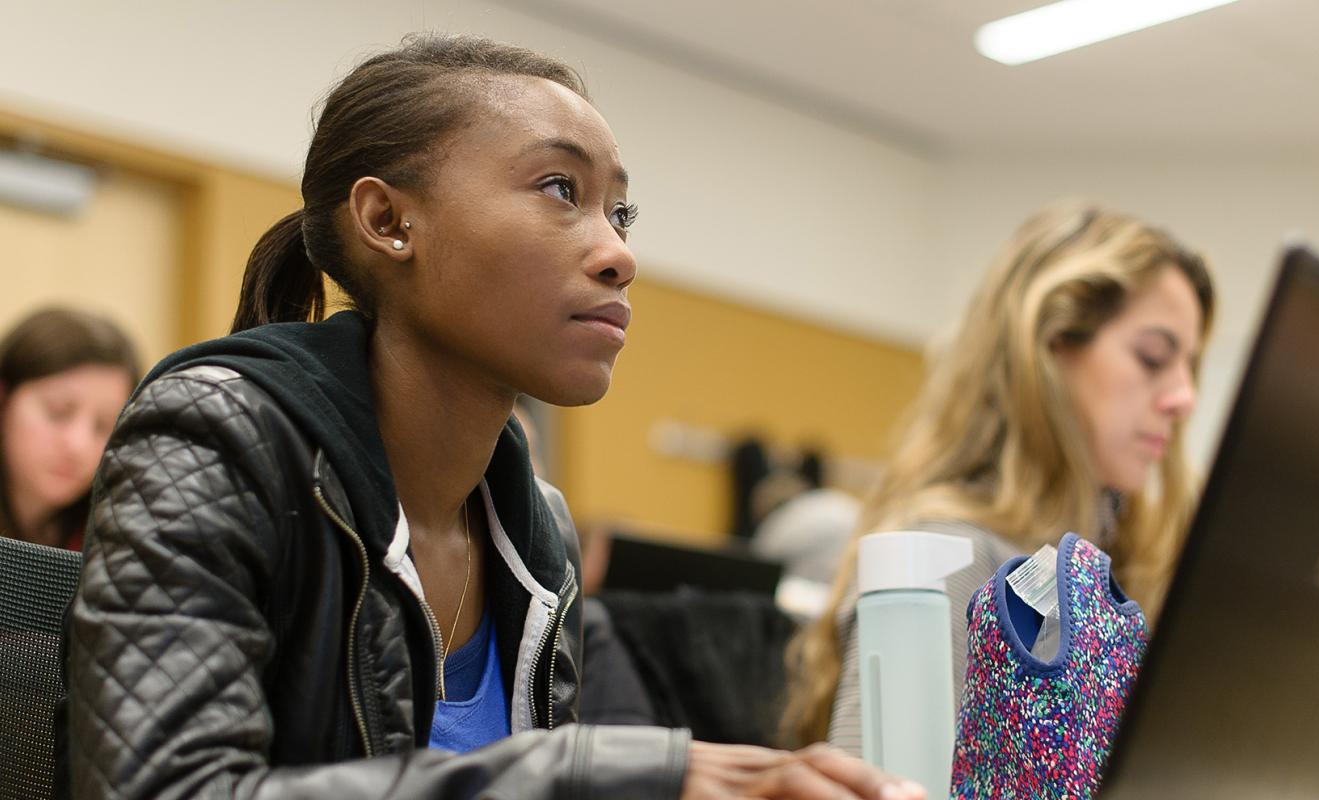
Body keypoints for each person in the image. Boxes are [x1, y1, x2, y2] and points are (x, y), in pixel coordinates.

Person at [61, 33, 923, 800]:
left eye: (618, 212)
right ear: (389, 220)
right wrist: (591, 774)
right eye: (560, 189)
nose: (619, 253)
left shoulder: (532, 523)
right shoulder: (214, 440)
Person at [781, 203, 1216, 753]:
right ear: (1051, 347)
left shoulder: (1127, 568)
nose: (1185, 398)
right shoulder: (946, 556)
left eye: (1189, 366)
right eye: (1153, 357)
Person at [0, 307, 139, 550]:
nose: (78, 444)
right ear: (4, 399)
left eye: (104, 425)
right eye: (58, 411)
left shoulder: (116, 534)